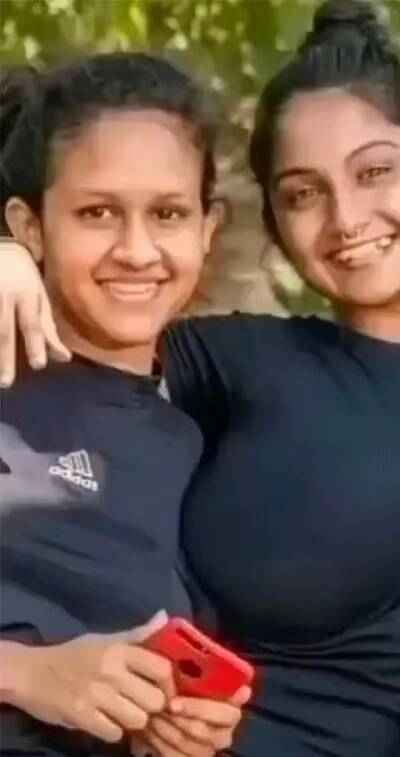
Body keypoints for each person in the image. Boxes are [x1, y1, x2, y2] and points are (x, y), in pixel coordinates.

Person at [0, 2, 400, 755]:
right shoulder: (232, 363)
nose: (346, 216)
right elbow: (92, 322)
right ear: (274, 222)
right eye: (302, 193)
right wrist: (8, 255)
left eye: (375, 172)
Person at [0, 53, 250, 756]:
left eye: (167, 214)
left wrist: (165, 723)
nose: (137, 250)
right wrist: (26, 673)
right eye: (97, 213)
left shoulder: (188, 443)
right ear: (30, 226)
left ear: (207, 228)